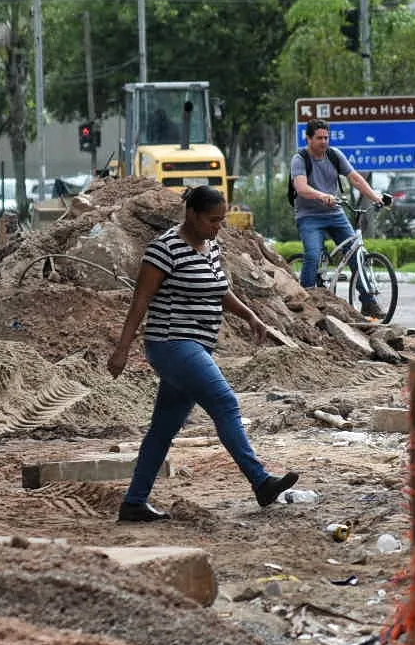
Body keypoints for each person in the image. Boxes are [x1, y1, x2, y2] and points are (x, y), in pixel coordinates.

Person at [107, 185, 300, 522]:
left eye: (222, 221)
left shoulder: (210, 246)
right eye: (212, 220)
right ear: (192, 215)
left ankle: (134, 502)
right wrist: (121, 349)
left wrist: (251, 315)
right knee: (225, 402)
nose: (218, 227)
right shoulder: (164, 249)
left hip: (196, 345)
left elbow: (220, 289)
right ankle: (260, 482)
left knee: (163, 428)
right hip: (171, 344)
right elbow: (141, 300)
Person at [291, 118, 393, 318]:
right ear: (308, 139)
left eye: (326, 137)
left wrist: (376, 197)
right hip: (309, 215)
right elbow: (301, 188)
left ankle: (368, 302)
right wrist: (323, 196)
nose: (324, 142)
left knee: (357, 253)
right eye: (319, 138)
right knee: (312, 255)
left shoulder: (334, 155)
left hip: (334, 212)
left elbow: (354, 178)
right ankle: (304, 301)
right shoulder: (300, 159)